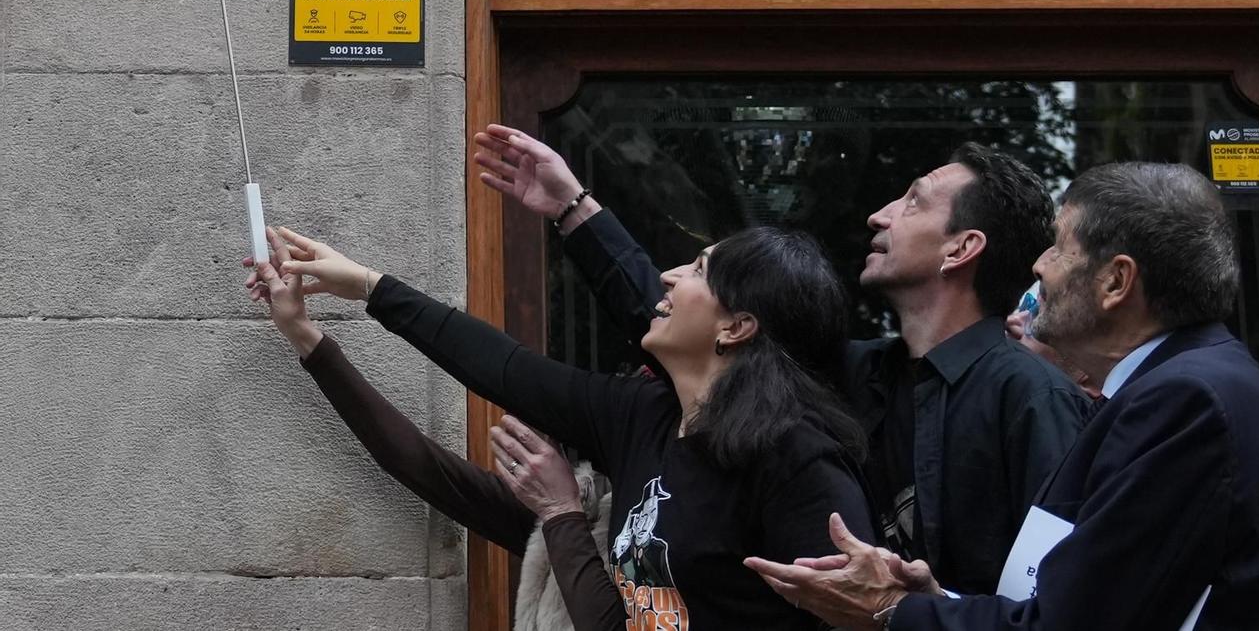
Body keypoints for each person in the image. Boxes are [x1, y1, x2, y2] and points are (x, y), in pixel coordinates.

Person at [475, 123, 1089, 595]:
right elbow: (702, 321)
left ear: (962, 248)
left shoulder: (1034, 399)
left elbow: (1068, 600)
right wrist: (573, 208)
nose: (880, 214)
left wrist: (932, 609)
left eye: (913, 201)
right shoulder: (855, 374)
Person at [745, 160, 1259, 630]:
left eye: (1060, 249)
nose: (1039, 265)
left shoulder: (1187, 400)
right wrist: (940, 602)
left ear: (1116, 282)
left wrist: (890, 609)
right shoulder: (1195, 384)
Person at [270, 220, 876, 630]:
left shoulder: (800, 464)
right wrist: (369, 288)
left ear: (737, 326)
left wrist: (561, 512)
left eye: (697, 268)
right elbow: (505, 369)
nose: (668, 276)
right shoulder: (644, 416)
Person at [243, 227, 616, 631]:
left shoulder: (658, 530)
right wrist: (304, 334)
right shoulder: (588, 514)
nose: (672, 278)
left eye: (696, 269)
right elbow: (421, 465)